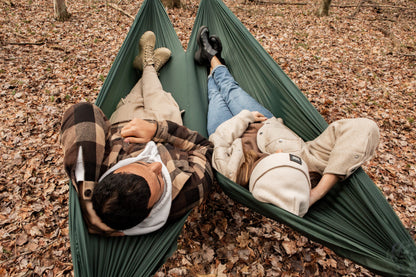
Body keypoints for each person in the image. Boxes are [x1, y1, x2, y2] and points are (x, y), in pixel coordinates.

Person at [194, 26, 380, 216]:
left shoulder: (233, 173)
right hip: (263, 121)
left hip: (229, 127)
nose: (281, 151)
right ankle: (212, 57)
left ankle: (211, 61)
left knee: (216, 96)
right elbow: (365, 128)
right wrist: (317, 193)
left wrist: (245, 117)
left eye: (276, 158)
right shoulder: (310, 161)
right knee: (230, 89)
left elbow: (219, 139)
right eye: (290, 159)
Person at [61, 31, 214, 236]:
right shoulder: (188, 190)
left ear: (112, 173)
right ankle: (149, 66)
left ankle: (147, 67)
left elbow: (82, 111)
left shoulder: (99, 174)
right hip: (165, 123)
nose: (157, 165)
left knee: (138, 93)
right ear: (150, 212)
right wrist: (159, 130)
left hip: (126, 120)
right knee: (154, 93)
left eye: (141, 165)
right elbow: (205, 149)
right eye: (159, 180)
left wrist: (87, 195)